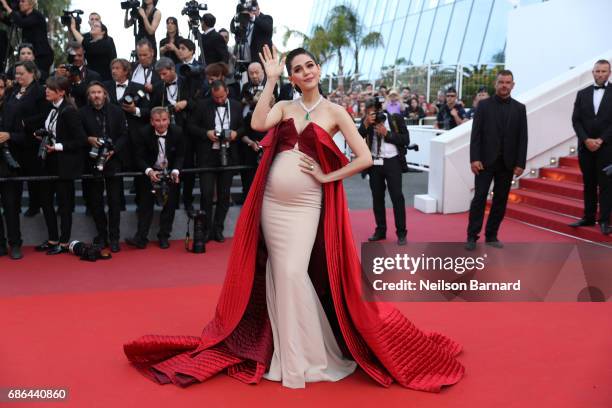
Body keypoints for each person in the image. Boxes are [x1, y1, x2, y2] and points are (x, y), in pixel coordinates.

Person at [124, 46, 464, 391]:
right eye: (298, 69)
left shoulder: (335, 112)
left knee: (292, 273)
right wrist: (270, 81)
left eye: (310, 65)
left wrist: (327, 177)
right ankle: (288, 354)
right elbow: (257, 124)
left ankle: (315, 355)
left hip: (307, 204)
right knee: (278, 273)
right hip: (272, 203)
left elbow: (362, 158)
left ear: (318, 69)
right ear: (293, 77)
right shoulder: (285, 106)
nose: (306, 72)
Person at [465, 70, 528, 250]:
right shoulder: (483, 106)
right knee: (479, 199)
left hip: (507, 164)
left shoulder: (519, 108)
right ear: (496, 84)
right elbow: (475, 135)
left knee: (500, 200)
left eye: (508, 82)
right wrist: (474, 158)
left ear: (513, 85)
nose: (504, 85)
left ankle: (492, 235)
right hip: (484, 162)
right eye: (501, 82)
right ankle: (472, 236)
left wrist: (520, 163)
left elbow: (523, 138)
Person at [34, 75, 88, 255]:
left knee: (64, 205)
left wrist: (57, 146)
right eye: (47, 88)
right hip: (49, 163)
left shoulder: (69, 111)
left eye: (51, 89)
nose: (46, 91)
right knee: (46, 201)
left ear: (61, 92)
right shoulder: (52, 110)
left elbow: (81, 140)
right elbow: (56, 132)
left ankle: (64, 242)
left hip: (64, 165)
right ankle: (52, 239)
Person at [0, 61, 48, 259]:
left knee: (11, 206)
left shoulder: (12, 108)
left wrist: (9, 136)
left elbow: (22, 134)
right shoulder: (13, 98)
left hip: (9, 161)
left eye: (0, 87)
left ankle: (15, 243)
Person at [187, 80, 243, 242]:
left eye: (221, 96)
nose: (218, 100)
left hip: (229, 154)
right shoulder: (202, 105)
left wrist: (235, 134)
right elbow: (191, 126)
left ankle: (218, 229)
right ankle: (205, 230)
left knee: (224, 195)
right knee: (206, 194)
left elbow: (243, 127)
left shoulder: (236, 106)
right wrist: (206, 133)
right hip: (207, 156)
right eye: (215, 97)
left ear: (227, 92)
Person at [80, 81, 129, 252]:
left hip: (113, 161)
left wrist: (114, 150)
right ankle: (102, 236)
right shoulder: (82, 113)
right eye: (92, 92)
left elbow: (124, 135)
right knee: (96, 202)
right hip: (91, 161)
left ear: (105, 94)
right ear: (89, 96)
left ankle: (115, 238)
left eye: (99, 92)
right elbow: (78, 134)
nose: (96, 95)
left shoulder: (116, 111)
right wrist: (88, 139)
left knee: (115, 202)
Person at [126, 107, 183, 249]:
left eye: (164, 120)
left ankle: (164, 237)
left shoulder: (177, 131)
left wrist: (176, 170)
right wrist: (150, 171)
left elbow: (181, 155)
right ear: (152, 122)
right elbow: (138, 157)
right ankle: (141, 238)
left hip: (170, 172)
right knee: (145, 206)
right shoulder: (143, 133)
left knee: (169, 207)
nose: (161, 124)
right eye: (158, 120)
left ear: (169, 120)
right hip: (150, 172)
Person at [359, 97, 410, 246]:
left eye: (374, 113)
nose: (373, 116)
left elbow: (405, 139)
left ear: (381, 111)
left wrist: (387, 134)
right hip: (375, 163)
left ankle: (401, 233)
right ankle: (380, 230)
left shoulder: (395, 119)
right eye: (369, 113)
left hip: (392, 161)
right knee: (377, 198)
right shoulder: (367, 121)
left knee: (397, 197)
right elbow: (356, 136)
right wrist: (366, 123)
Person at [570, 59, 612, 235]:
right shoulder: (582, 93)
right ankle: (588, 217)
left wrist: (601, 140)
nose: (600, 74)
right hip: (585, 148)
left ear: (609, 73)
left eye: (603, 71)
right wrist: (586, 140)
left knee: (606, 185)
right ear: (592, 72)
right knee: (588, 184)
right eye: (597, 71)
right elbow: (576, 120)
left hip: (608, 148)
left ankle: (604, 220)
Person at [0, 0, 53, 76]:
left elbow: (21, 23)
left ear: (31, 4)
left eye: (22, 1)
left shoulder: (36, 15)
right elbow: (13, 22)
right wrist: (2, 17)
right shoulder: (25, 17)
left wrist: (6, 6)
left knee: (38, 78)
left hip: (42, 55)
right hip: (33, 54)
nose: (20, 4)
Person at [230, 1, 273, 65]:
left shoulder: (266, 18)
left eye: (251, 9)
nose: (250, 11)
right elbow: (233, 30)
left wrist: (253, 17)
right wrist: (238, 15)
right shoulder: (245, 21)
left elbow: (267, 27)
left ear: (258, 8)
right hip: (244, 59)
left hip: (260, 60)